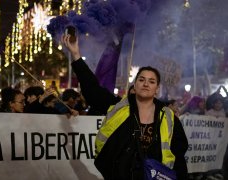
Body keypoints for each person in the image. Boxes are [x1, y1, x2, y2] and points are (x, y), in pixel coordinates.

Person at [61, 33, 188, 179]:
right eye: (141, 80)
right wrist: (76, 55)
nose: (146, 84)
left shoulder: (168, 117)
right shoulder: (118, 107)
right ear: (135, 84)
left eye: (151, 81)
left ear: (157, 89)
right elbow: (92, 90)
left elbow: (179, 156)